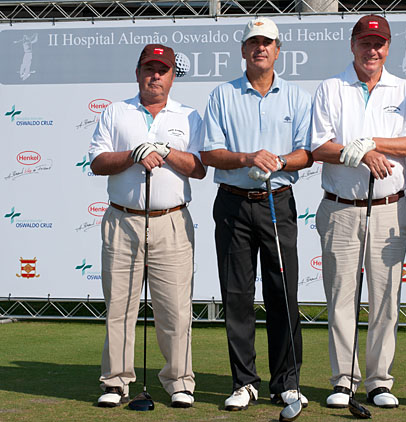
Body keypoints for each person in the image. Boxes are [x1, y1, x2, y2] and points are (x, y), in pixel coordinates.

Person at [200, 17, 312, 411]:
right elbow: (209, 154)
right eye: (253, 43)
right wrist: (247, 157)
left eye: (267, 43)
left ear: (278, 50)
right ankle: (244, 382)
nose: (259, 48)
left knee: (284, 294)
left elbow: (306, 153)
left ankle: (287, 382)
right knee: (237, 297)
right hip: (232, 202)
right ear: (243, 51)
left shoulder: (296, 97)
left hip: (276, 203)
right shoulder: (222, 96)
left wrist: (279, 160)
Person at [311, 15, 406, 410]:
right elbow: (317, 146)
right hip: (341, 208)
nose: (371, 50)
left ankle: (378, 380)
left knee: (386, 298)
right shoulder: (331, 87)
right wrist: (352, 153)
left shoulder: (404, 90)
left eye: (379, 44)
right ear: (352, 45)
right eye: (364, 42)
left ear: (388, 48)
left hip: (389, 208)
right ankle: (344, 380)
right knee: (341, 297)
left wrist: (371, 143)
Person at [89, 44, 206, 408]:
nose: (155, 76)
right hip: (122, 221)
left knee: (174, 309)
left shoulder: (188, 116)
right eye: (148, 68)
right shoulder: (116, 112)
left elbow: (200, 168)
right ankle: (115, 382)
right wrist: (133, 153)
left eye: (162, 70)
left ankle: (179, 381)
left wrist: (168, 151)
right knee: (119, 308)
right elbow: (97, 162)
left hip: (171, 221)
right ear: (138, 72)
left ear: (173, 76)